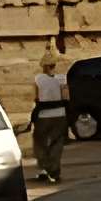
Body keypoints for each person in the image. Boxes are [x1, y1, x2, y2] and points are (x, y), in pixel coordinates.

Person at [31, 51, 68, 184]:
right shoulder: (62, 78)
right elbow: (66, 97)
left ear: (44, 66)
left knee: (40, 142)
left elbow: (36, 98)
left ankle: (45, 166)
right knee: (57, 142)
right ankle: (54, 169)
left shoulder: (38, 79)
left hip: (43, 115)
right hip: (60, 114)